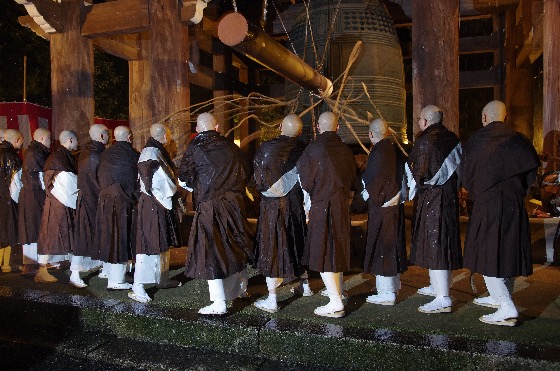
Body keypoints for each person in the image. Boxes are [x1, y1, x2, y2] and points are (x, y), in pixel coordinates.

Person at [461, 100, 539, 326]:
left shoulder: (475, 142)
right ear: (505, 118)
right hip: (514, 204)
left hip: (488, 205)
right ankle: (499, 298)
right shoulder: (520, 141)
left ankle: (506, 306)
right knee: (508, 252)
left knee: (489, 255)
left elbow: (466, 178)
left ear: (484, 118)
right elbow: (530, 179)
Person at [179, 112, 253, 315]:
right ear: (217, 127)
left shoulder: (195, 148)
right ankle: (240, 290)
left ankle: (219, 302)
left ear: (197, 129)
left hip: (209, 206)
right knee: (235, 245)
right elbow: (246, 171)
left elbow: (184, 179)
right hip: (234, 203)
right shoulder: (231, 146)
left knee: (211, 250)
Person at [296, 111, 359, 318]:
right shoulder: (346, 150)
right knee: (337, 248)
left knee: (324, 251)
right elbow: (353, 179)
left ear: (318, 127)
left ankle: (335, 301)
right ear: (338, 127)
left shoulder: (313, 150)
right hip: (341, 204)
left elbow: (305, 182)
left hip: (321, 205)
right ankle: (337, 292)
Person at [252, 114, 312, 314]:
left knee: (273, 246)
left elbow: (258, 180)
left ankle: (272, 298)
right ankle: (306, 285)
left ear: (279, 127)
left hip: (272, 207)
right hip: (294, 204)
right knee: (297, 240)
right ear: (300, 132)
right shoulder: (304, 150)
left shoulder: (266, 149)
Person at [407, 105, 462, 313]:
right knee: (442, 243)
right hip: (448, 197)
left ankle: (443, 298)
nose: (419, 122)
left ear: (426, 121)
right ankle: (438, 286)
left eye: (420, 119)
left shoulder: (424, 141)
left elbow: (418, 174)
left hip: (432, 200)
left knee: (436, 244)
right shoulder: (453, 139)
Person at [129, 123, 179, 303]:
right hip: (154, 203)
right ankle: (138, 287)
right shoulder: (152, 153)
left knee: (161, 241)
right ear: (164, 135)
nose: (170, 138)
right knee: (149, 244)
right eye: (169, 134)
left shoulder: (153, 151)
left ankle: (162, 278)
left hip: (156, 203)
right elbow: (161, 183)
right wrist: (175, 189)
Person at [362, 118, 407, 305]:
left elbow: (374, 181)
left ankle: (386, 293)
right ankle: (392, 286)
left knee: (383, 249)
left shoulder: (378, 152)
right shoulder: (395, 150)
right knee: (391, 247)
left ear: (371, 134)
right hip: (395, 205)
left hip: (383, 208)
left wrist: (366, 194)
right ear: (388, 132)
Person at [95, 126, 139, 291]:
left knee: (109, 236)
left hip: (106, 199)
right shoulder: (132, 154)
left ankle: (108, 272)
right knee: (120, 238)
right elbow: (136, 180)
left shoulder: (105, 153)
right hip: (122, 201)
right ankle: (117, 280)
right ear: (129, 137)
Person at [36, 130, 79, 283]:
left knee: (53, 234)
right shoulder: (60, 158)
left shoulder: (57, 156)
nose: (78, 143)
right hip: (59, 203)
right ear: (71, 140)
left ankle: (46, 266)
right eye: (76, 140)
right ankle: (41, 271)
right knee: (51, 235)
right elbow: (68, 183)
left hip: (57, 201)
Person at [71, 124, 109, 288]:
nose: (109, 137)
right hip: (92, 200)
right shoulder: (97, 154)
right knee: (84, 238)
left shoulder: (87, 152)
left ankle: (102, 267)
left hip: (87, 198)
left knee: (87, 236)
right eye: (107, 134)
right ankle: (74, 273)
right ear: (101, 136)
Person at [18, 128, 51, 276]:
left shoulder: (34, 152)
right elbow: (41, 177)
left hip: (32, 195)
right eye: (49, 138)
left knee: (32, 227)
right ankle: (30, 264)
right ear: (43, 138)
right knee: (33, 228)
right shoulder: (36, 154)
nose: (51, 141)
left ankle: (32, 263)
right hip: (34, 195)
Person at [0, 129, 24, 273]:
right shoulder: (12, 157)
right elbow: (16, 183)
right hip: (8, 200)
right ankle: (6, 264)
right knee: (9, 229)